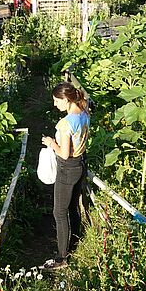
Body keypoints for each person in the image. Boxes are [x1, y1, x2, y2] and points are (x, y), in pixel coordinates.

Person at [41, 82, 90, 270]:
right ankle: (74, 241)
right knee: (72, 207)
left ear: (66, 99)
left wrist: (51, 142)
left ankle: (61, 258)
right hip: (80, 164)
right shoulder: (84, 113)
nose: (55, 105)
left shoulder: (65, 123)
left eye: (56, 100)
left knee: (59, 212)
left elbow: (63, 152)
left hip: (67, 168)